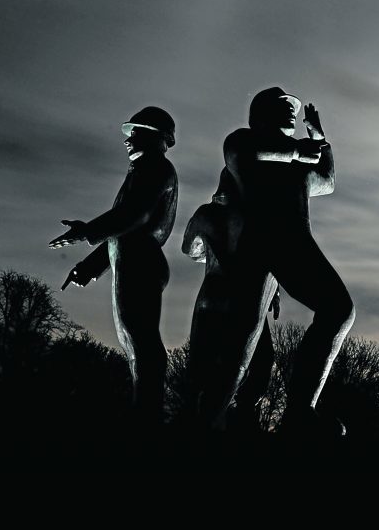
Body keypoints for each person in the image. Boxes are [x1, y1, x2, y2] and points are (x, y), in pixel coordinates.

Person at [221, 87, 355, 436]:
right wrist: (298, 149)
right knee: (245, 344)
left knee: (338, 310)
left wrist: (319, 138)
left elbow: (326, 181)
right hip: (264, 243)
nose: (291, 111)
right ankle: (227, 411)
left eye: (292, 108)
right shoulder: (246, 144)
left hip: (295, 244)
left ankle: (299, 409)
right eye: (282, 106)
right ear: (260, 114)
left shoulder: (297, 166)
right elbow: (240, 152)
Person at [49, 106, 178, 425]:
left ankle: (147, 414)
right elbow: (123, 227)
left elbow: (135, 215)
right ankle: (143, 408)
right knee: (134, 342)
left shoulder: (156, 169)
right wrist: (91, 266)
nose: (128, 139)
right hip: (130, 260)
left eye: (137, 132)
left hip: (141, 262)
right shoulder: (143, 170)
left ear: (159, 138)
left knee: (141, 341)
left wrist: (86, 231)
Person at [182, 168, 279, 431]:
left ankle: (196, 421)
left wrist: (211, 253)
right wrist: (275, 289)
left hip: (211, 293)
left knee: (200, 363)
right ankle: (229, 417)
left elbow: (189, 249)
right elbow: (273, 258)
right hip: (245, 298)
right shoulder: (260, 217)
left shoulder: (206, 213)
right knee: (256, 362)